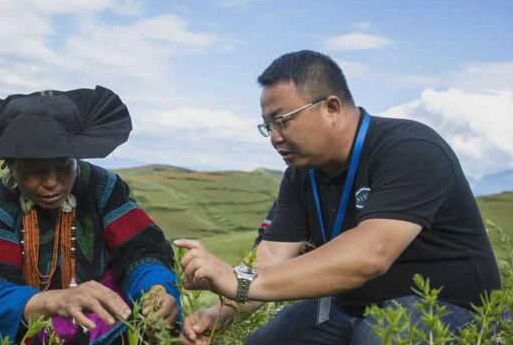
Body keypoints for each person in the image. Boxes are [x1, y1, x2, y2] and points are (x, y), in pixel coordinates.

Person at [176, 50, 500, 344]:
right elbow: (272, 255)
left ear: (331, 108)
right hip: (353, 304)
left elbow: (371, 253)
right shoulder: (300, 174)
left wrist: (241, 282)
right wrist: (218, 314)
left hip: (449, 306)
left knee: (376, 336)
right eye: (267, 126)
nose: (274, 137)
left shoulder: (411, 149)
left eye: (282, 121)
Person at [0, 86, 179, 344]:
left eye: (63, 166)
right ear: (10, 166)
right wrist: (56, 300)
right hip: (24, 318)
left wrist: (156, 289)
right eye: (33, 170)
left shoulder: (102, 186)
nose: (52, 182)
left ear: (76, 160)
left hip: (99, 310)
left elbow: (140, 251)